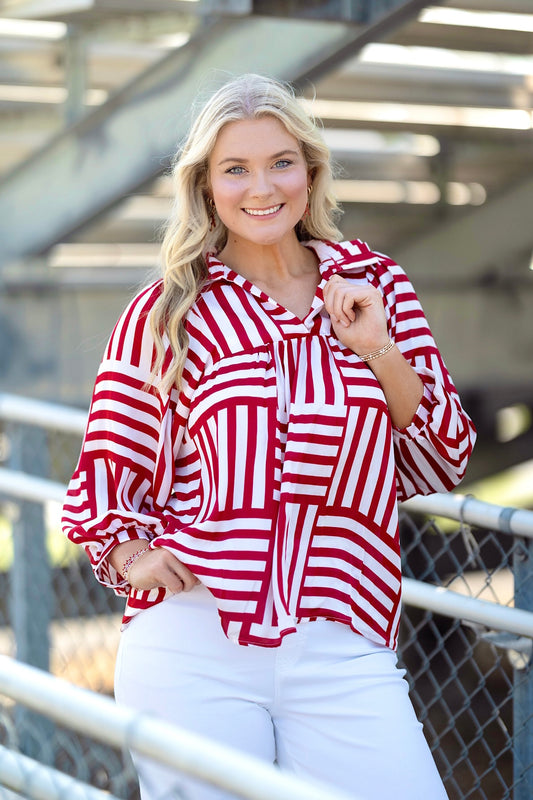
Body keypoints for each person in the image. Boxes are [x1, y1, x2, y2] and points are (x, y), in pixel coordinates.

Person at [62, 73, 476, 800]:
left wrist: (378, 348)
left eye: (280, 162)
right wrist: (128, 551)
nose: (262, 187)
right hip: (195, 637)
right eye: (235, 169)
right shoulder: (169, 310)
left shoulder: (378, 286)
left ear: (309, 172)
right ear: (205, 185)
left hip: (341, 636)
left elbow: (440, 455)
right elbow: (107, 464)